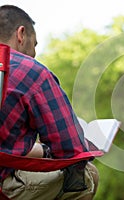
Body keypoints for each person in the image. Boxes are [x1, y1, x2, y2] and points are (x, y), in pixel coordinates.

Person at [0, 5, 99, 200]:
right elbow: (70, 149)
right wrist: (88, 145)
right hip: (3, 184)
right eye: (34, 44)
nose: (34, 53)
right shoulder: (30, 71)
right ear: (21, 34)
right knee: (87, 176)